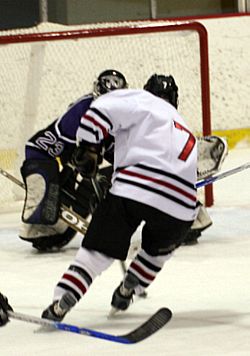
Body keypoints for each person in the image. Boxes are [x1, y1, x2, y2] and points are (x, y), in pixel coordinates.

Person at [40, 73, 199, 321]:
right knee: (156, 253)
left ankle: (62, 300)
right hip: (183, 206)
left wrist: (89, 148)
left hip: (133, 188)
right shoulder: (184, 126)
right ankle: (131, 287)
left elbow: (99, 109)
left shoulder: (139, 99)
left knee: (95, 254)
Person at [19, 69, 128, 251]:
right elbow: (59, 150)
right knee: (47, 182)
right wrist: (64, 180)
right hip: (45, 154)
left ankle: (57, 224)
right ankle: (40, 222)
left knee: (111, 176)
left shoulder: (122, 117)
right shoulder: (81, 111)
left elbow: (116, 152)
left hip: (79, 155)